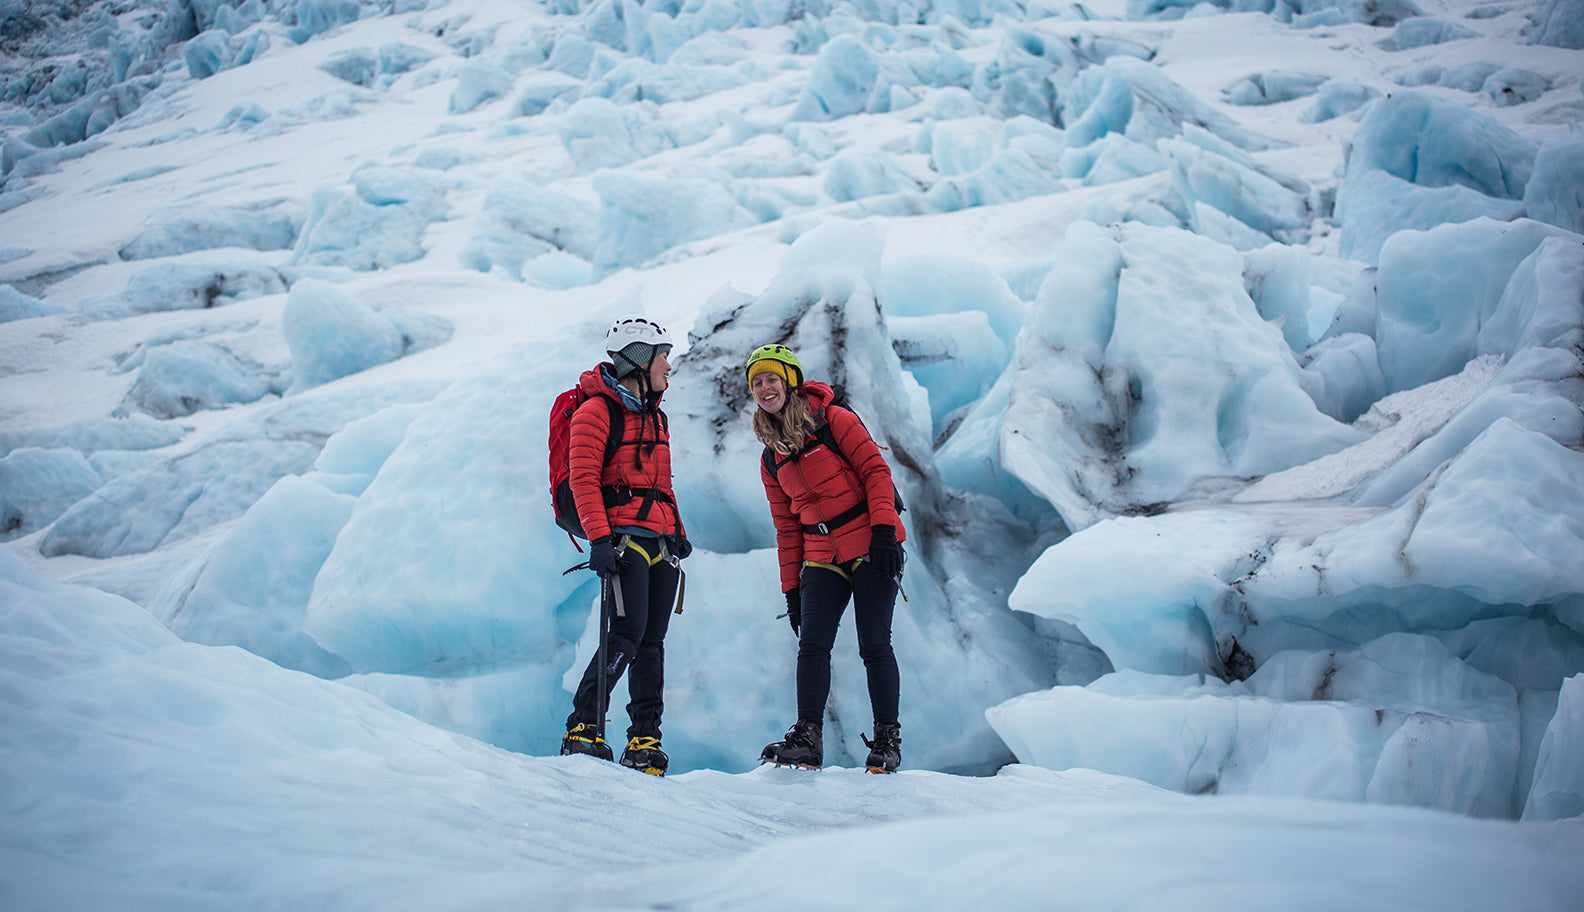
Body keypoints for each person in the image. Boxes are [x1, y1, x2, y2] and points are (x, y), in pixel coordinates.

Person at [746, 344, 905, 773]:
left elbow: (876, 472)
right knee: (812, 644)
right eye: (757, 382)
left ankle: (887, 741)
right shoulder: (770, 456)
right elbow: (786, 527)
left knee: (874, 644)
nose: (764, 388)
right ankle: (808, 739)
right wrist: (791, 591)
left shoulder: (834, 420)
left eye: (771, 379)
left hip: (871, 543)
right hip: (820, 553)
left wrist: (885, 534)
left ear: (791, 381)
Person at [561, 315, 691, 775]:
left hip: (660, 541)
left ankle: (645, 739)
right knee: (626, 634)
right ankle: (584, 725)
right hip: (622, 541)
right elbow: (583, 479)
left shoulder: (656, 415)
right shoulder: (596, 413)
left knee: (652, 642)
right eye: (663, 358)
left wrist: (677, 528)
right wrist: (598, 537)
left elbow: (662, 483)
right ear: (638, 359)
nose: (668, 368)